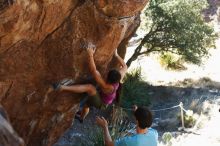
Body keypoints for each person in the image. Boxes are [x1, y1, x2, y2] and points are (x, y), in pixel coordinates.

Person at [45, 42, 127, 123]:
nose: (105, 75)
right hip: (105, 96)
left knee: (90, 88)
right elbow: (124, 66)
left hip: (102, 104)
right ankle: (81, 118)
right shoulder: (119, 76)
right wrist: (116, 55)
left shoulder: (107, 86)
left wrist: (90, 53)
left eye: (107, 75)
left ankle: (62, 87)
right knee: (87, 105)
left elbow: (93, 70)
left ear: (109, 80)